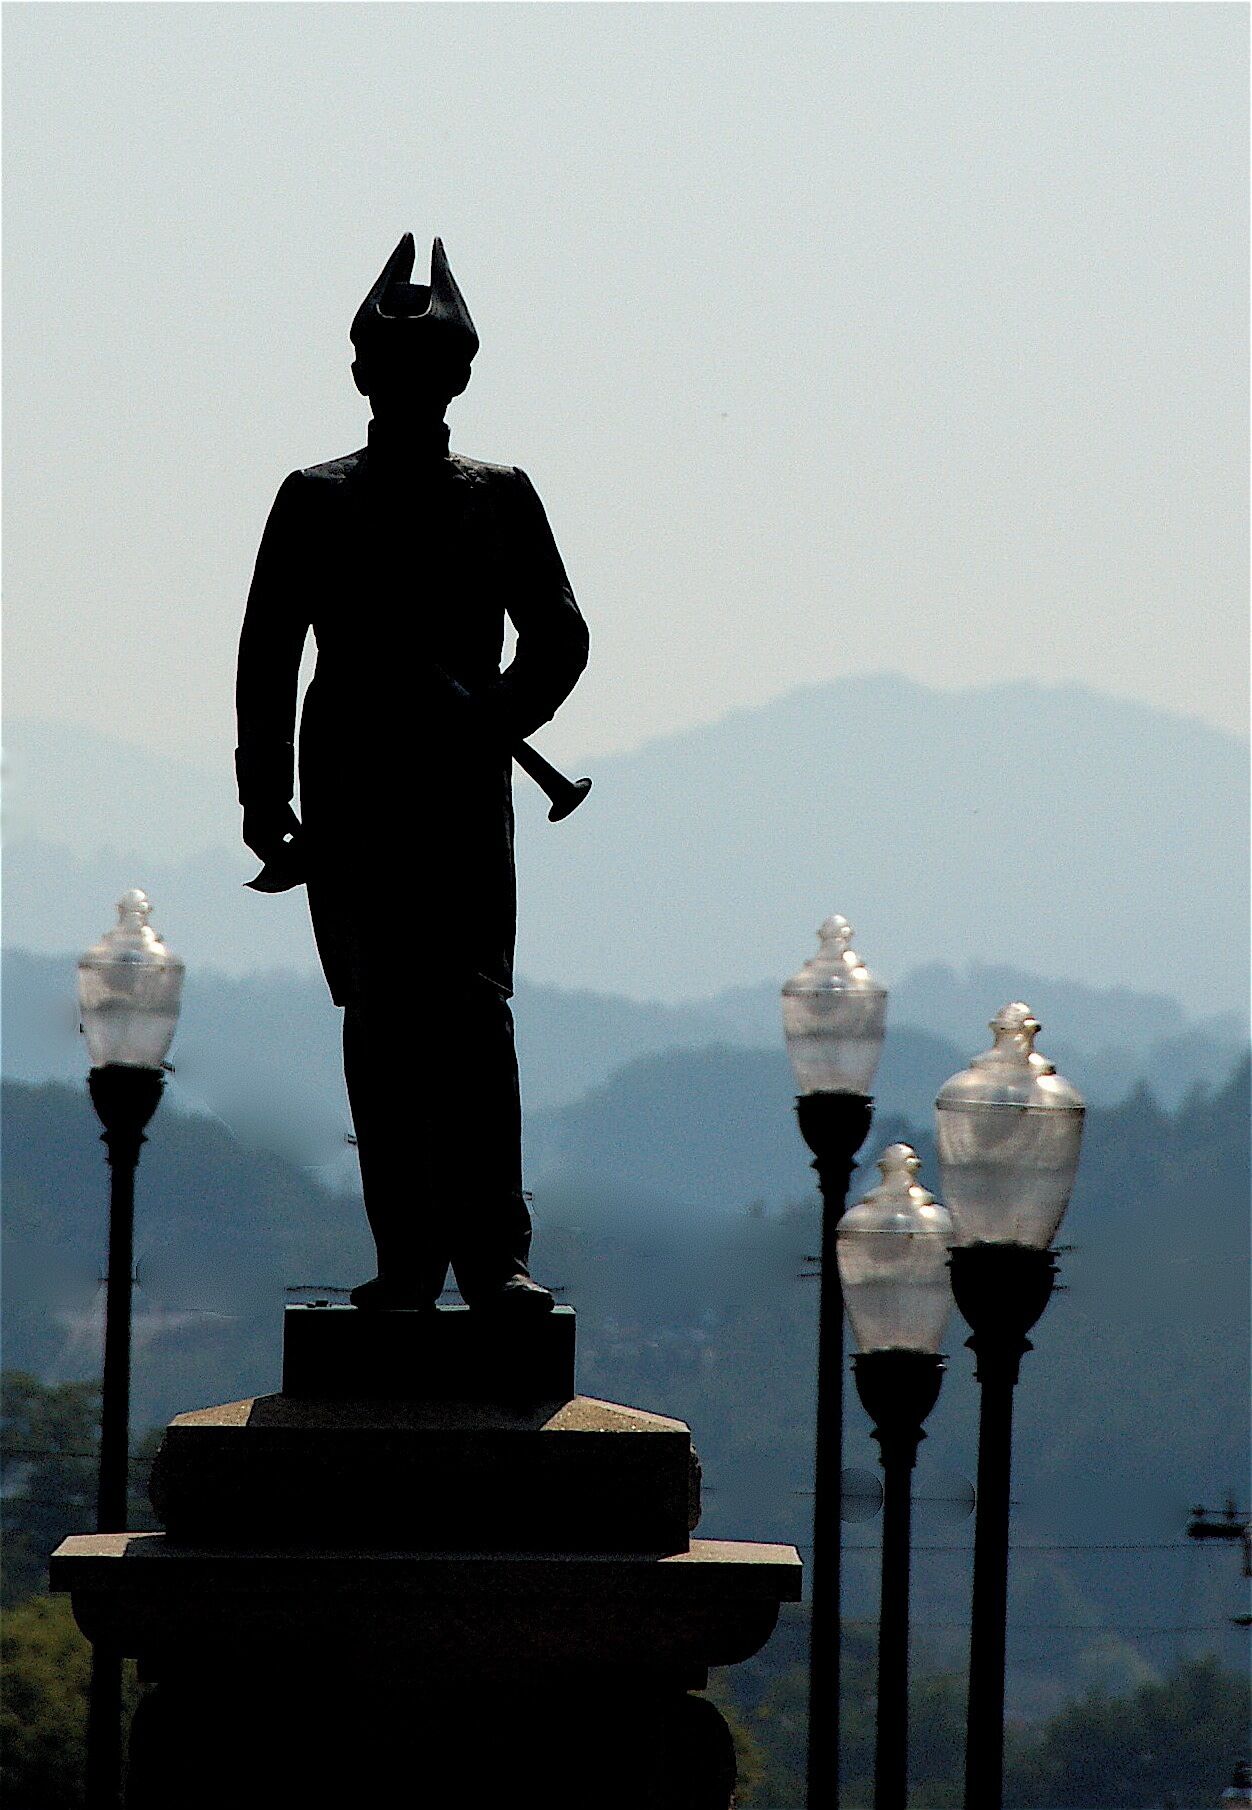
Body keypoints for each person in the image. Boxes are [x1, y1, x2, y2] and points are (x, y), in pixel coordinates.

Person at [235, 235, 589, 1312]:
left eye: (424, 373)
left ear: (457, 381)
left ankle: (494, 1256)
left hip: (463, 794)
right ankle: (408, 1260)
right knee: (383, 1023)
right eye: (392, 373)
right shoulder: (313, 499)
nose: (406, 389)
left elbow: (560, 636)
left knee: (473, 1020)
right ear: (360, 379)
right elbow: (267, 651)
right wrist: (267, 797)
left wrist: (497, 717)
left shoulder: (500, 495)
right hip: (350, 787)